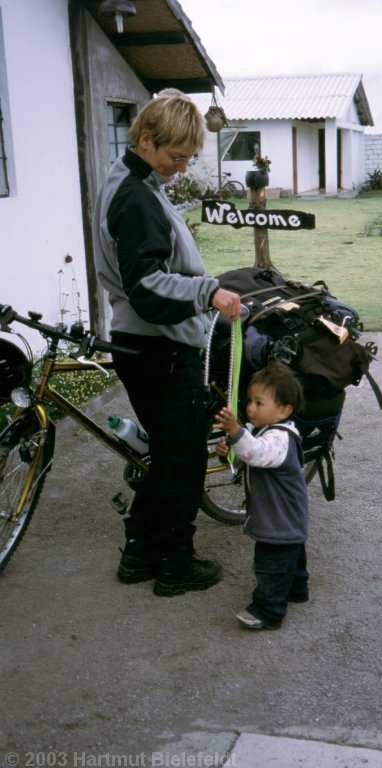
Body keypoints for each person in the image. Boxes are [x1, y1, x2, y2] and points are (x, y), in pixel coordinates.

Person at [92, 89, 241, 597]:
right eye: (175, 157)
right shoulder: (136, 199)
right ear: (146, 139)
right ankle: (175, 565)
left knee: (171, 457)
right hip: (157, 348)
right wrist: (209, 291)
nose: (180, 167)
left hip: (143, 343)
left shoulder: (132, 179)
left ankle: (138, 556)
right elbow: (148, 287)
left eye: (188, 158)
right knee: (182, 463)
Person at [214, 362, 309, 630]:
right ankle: (297, 589)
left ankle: (268, 610)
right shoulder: (264, 431)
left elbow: (256, 453)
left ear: (284, 410)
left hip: (279, 517)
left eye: (259, 402)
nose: (250, 408)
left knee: (271, 562)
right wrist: (228, 448)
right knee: (292, 552)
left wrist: (235, 432)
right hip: (287, 515)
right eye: (250, 400)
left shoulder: (281, 437)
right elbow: (248, 455)